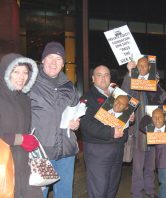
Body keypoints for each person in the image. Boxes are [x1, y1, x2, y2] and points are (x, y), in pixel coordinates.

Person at [29, 41, 80, 198]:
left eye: (58, 59)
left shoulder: (69, 86)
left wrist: (76, 123)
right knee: (38, 194)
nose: (53, 62)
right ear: (43, 60)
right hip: (41, 152)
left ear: (63, 63)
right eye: (50, 57)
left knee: (64, 195)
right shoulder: (30, 83)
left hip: (66, 152)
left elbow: (76, 113)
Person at [80, 65, 134, 198]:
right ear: (93, 78)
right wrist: (110, 132)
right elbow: (86, 125)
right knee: (99, 191)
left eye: (106, 75)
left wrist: (129, 118)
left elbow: (119, 120)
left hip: (117, 148)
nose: (103, 78)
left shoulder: (116, 96)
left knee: (111, 189)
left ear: (110, 77)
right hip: (98, 151)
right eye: (99, 75)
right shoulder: (87, 98)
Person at [121, 60, 165, 198]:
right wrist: (129, 74)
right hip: (138, 133)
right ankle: (137, 194)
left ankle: (150, 191)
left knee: (151, 166)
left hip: (153, 132)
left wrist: (156, 85)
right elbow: (123, 95)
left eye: (146, 67)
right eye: (140, 67)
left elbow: (163, 98)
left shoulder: (153, 89)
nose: (143, 69)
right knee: (138, 168)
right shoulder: (133, 86)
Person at [0, 53, 42, 197]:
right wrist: (22, 139)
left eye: (25, 72)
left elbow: (26, 129)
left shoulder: (24, 99)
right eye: (16, 71)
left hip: (24, 160)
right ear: (6, 72)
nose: (21, 77)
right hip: (4, 161)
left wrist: (30, 139)